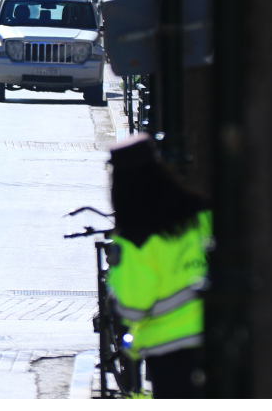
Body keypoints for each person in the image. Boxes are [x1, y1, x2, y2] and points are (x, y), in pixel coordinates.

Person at [106, 136, 210, 399]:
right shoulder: (202, 214)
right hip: (219, 335)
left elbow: (134, 307)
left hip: (168, 349)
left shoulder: (135, 239)